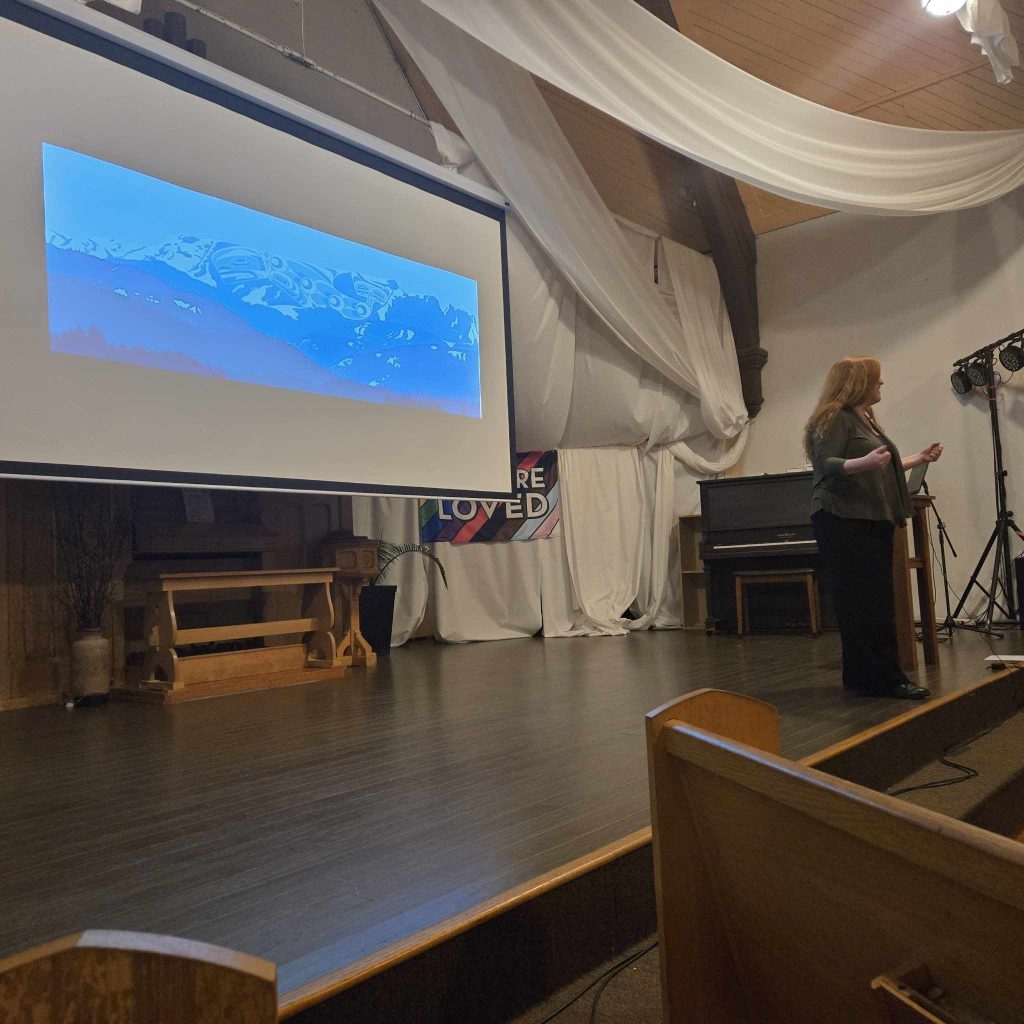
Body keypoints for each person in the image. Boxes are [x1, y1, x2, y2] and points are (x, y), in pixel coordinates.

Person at [804, 357, 943, 700]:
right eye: (877, 380)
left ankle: (863, 677)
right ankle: (884, 679)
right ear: (858, 382)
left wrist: (917, 459)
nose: (881, 385)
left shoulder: (864, 419)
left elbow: (882, 462)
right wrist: (863, 463)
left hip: (868, 517)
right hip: (843, 519)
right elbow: (826, 463)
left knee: (873, 601)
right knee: (864, 602)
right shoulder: (834, 416)